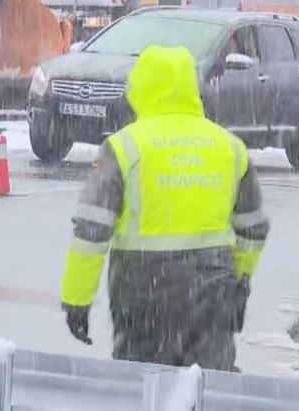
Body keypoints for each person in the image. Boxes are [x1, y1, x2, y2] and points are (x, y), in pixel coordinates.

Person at [59, 44, 269, 371]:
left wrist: (77, 299)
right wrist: (240, 281)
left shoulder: (124, 147)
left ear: (141, 87)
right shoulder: (230, 148)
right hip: (212, 292)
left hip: (143, 292)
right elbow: (254, 227)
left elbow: (91, 231)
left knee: (144, 388)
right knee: (208, 386)